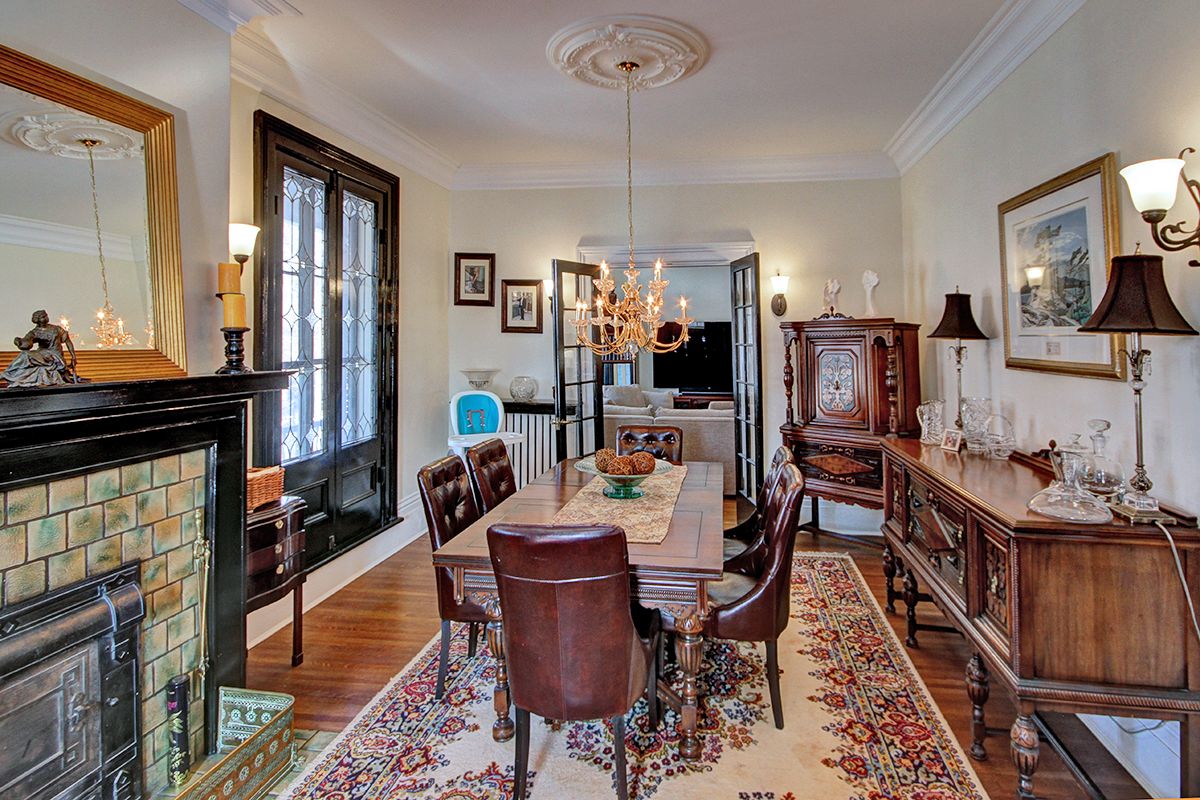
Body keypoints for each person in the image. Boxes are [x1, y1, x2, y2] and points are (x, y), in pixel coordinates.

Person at [1, 309, 82, 387]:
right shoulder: (34, 332)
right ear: (38, 320)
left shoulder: (56, 329)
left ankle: (5, 374)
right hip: (42, 354)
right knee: (24, 354)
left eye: (46, 315)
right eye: (43, 317)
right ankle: (8, 373)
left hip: (55, 356)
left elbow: (68, 341)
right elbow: (26, 343)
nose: (46, 317)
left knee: (26, 355)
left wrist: (73, 357)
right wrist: (19, 342)